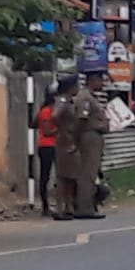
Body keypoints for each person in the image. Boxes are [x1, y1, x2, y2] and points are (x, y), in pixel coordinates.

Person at [74, 71, 110, 219]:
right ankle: (84, 207)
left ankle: (88, 204)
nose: (102, 84)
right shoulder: (86, 98)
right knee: (88, 173)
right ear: (93, 80)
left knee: (92, 173)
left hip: (94, 137)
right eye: (100, 81)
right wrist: (76, 140)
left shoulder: (90, 97)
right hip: (89, 137)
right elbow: (81, 120)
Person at [51, 76, 80, 221]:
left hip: (72, 141)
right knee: (62, 177)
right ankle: (59, 208)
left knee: (71, 176)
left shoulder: (71, 102)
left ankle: (69, 206)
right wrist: (63, 130)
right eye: (76, 86)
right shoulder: (62, 101)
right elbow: (55, 116)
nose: (78, 88)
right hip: (64, 142)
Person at [33, 85, 59, 216]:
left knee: (56, 176)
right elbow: (48, 131)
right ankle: (45, 207)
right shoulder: (46, 112)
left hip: (51, 146)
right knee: (45, 177)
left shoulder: (47, 111)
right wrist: (60, 128)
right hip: (47, 146)